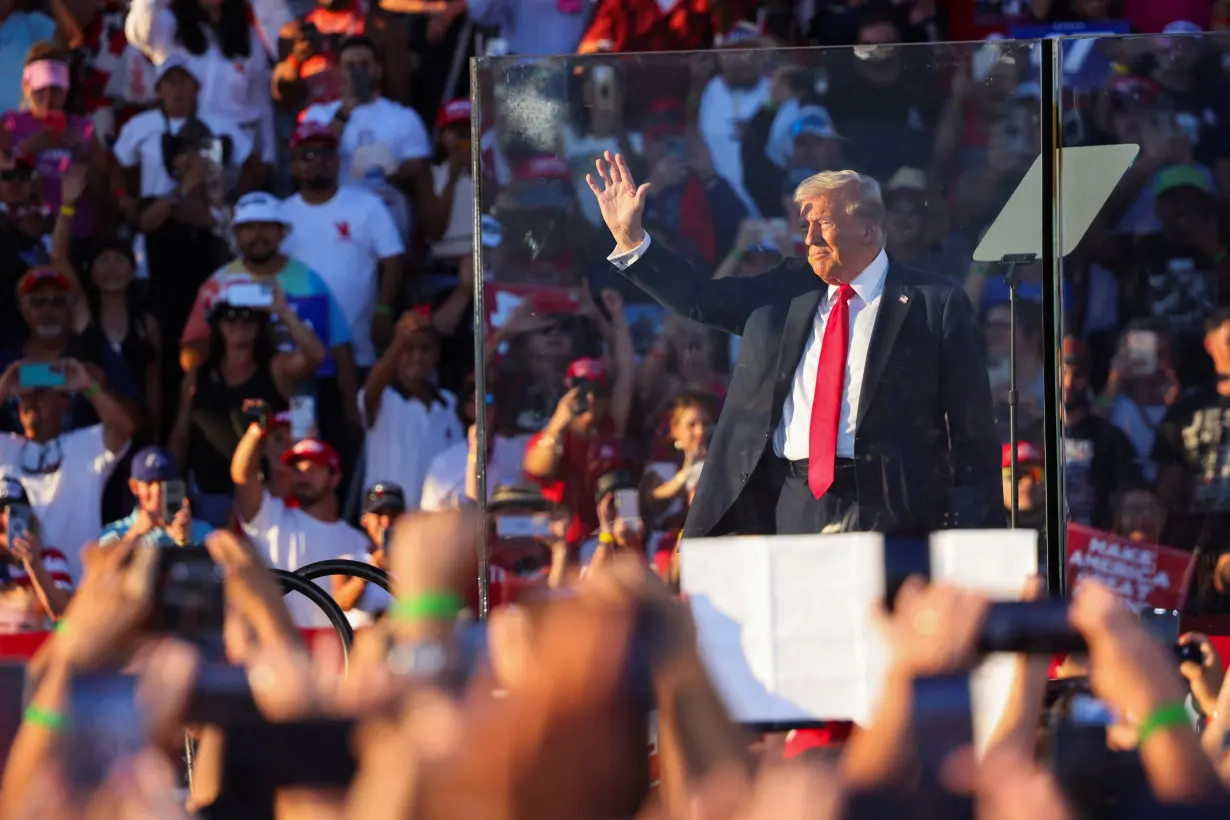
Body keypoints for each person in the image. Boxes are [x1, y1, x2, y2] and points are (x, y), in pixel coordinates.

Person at [586, 155, 999, 536]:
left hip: (894, 507)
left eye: (825, 225)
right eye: (805, 228)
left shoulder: (933, 302)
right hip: (792, 498)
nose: (811, 240)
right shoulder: (786, 289)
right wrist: (633, 240)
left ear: (869, 230)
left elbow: (971, 428)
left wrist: (973, 525)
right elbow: (701, 299)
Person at [98, 445, 213, 546]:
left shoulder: (203, 532)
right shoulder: (114, 533)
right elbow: (102, 567)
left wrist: (185, 540)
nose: (157, 490)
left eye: (164, 482)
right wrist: (134, 535)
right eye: (149, 483)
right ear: (134, 487)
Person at [331, 481, 398, 627]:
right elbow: (340, 604)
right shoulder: (348, 561)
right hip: (358, 646)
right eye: (379, 514)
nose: (386, 522)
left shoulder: (415, 565)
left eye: (394, 514)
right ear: (365, 520)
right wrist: (371, 568)